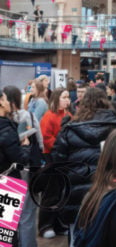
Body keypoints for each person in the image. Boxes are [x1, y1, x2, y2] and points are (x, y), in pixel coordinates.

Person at [51, 88, 116, 235]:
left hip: (77, 196)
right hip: (111, 194)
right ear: (106, 102)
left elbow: (57, 163)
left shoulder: (69, 129)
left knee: (77, 237)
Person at [3, 86, 40, 247]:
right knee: (22, 217)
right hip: (12, 177)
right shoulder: (7, 126)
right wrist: (25, 146)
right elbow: (20, 158)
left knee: (6, 225)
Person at [39, 87, 72, 239]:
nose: (68, 100)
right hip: (51, 158)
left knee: (62, 193)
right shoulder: (49, 116)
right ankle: (45, 225)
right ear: (57, 98)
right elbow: (46, 138)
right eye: (64, 97)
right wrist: (62, 145)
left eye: (68, 97)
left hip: (65, 158)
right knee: (51, 193)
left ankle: (59, 224)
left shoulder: (68, 115)